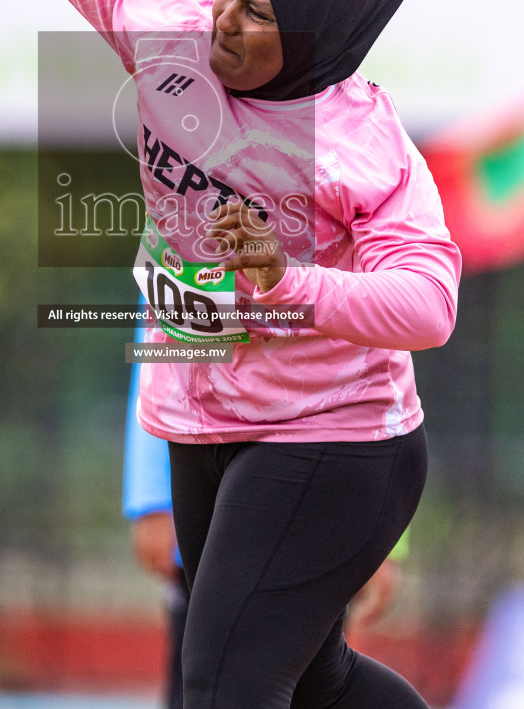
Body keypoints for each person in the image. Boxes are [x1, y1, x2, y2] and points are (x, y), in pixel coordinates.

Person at [0, 0, 460, 707]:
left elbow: (429, 305)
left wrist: (290, 278)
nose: (223, 16)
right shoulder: (169, 28)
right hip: (199, 416)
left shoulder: (362, 140)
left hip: (336, 438)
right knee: (315, 686)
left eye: (257, 11)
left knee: (222, 684)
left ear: (313, 41)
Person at [122, 303, 412, 709]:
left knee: (233, 683)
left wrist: (386, 539)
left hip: (318, 445)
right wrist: (151, 491)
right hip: (208, 445)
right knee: (286, 680)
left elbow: (393, 320)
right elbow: (168, 330)